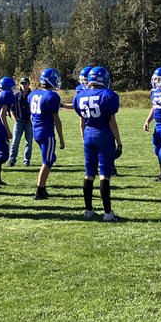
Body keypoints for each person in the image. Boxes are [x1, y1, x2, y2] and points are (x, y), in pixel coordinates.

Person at [73, 66, 123, 221]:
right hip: (103, 135)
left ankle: (88, 210)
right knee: (104, 175)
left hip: (88, 134)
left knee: (89, 174)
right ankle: (108, 213)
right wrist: (119, 143)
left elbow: (81, 120)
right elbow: (112, 122)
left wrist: (84, 138)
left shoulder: (80, 95)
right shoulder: (109, 95)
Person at [29, 67, 65, 199]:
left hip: (37, 130)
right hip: (46, 132)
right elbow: (57, 120)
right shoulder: (52, 96)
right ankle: (40, 190)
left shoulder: (33, 94)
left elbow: (32, 116)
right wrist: (61, 139)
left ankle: (42, 188)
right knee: (48, 161)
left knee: (48, 158)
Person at [9, 77, 33, 166]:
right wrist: (15, 120)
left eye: (25, 83)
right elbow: (12, 110)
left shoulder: (32, 95)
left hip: (29, 122)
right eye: (22, 83)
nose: (23, 85)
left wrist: (32, 119)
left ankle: (26, 161)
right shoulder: (16, 95)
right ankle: (12, 160)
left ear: (28, 84)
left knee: (29, 143)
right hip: (19, 121)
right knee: (15, 142)